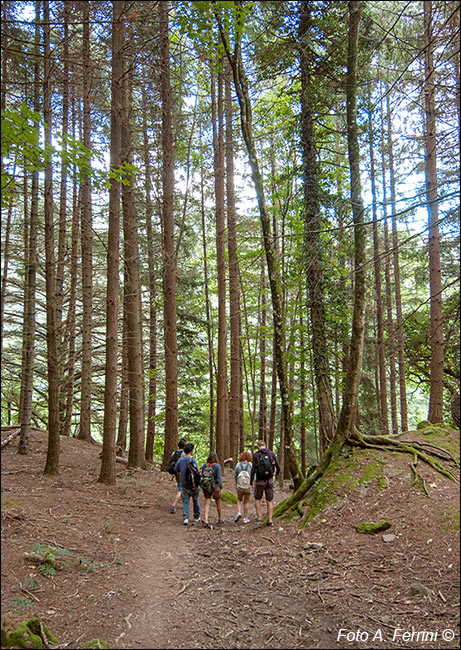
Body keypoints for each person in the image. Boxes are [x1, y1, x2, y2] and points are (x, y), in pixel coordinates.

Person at [250, 440, 280, 526]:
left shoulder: (255, 455)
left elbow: (252, 470)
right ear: (265, 445)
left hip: (259, 480)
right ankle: (270, 520)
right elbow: (278, 467)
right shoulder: (271, 454)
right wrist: (276, 474)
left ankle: (259, 519)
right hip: (270, 479)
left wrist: (251, 482)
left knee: (257, 498)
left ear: (258, 446)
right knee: (269, 500)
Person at [174, 442, 201, 526]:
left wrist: (180, 477)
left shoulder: (180, 460)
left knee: (185, 501)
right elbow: (196, 471)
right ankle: (196, 516)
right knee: (195, 500)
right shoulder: (193, 460)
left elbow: (176, 469)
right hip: (193, 484)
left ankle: (185, 518)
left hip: (184, 484)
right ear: (191, 451)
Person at [200, 451, 223, 527]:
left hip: (206, 486)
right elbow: (219, 478)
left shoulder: (204, 466)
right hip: (215, 486)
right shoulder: (217, 466)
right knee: (218, 502)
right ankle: (220, 518)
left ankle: (206, 520)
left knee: (207, 502)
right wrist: (221, 487)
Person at [234, 451, 252, 524]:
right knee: (246, 502)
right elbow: (253, 475)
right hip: (248, 486)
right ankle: (245, 518)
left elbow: (235, 475)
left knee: (239, 500)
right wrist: (252, 484)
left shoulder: (238, 465)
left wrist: (236, 483)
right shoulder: (250, 465)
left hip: (240, 486)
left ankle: (239, 512)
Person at [169, 437, 187, 514]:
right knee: (180, 490)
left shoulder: (174, 452)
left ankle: (185, 502)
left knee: (181, 487)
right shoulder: (184, 454)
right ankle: (173, 506)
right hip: (182, 473)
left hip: (176, 472)